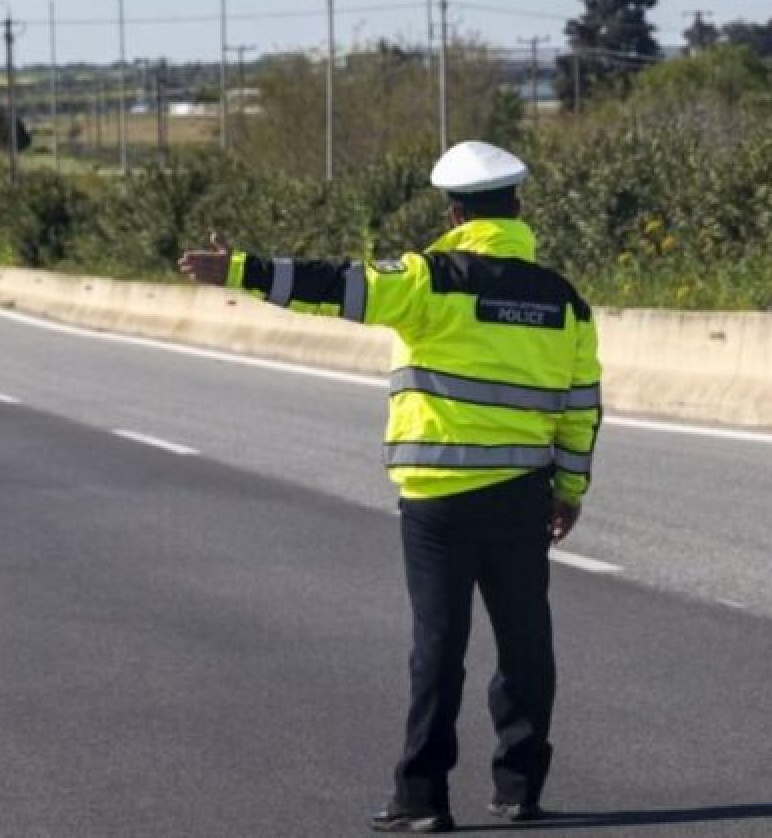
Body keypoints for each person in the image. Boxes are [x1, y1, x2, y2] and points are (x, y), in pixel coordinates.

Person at [178, 141, 602, 834]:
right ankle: (520, 788)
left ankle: (422, 800)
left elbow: (331, 286)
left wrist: (240, 270)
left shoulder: (429, 277)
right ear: (518, 209)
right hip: (524, 496)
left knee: (439, 646)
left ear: (455, 210)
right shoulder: (566, 303)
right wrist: (570, 489)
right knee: (526, 642)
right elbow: (582, 406)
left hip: (437, 499)